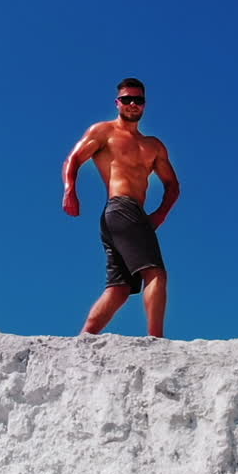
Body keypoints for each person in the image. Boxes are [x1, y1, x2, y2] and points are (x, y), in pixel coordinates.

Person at [62, 78, 181, 337]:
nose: (132, 104)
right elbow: (73, 159)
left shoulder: (153, 146)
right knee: (156, 273)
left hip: (128, 216)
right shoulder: (104, 132)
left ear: (144, 105)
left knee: (120, 288)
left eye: (138, 100)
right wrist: (70, 190)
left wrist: (159, 215)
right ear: (117, 102)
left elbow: (173, 186)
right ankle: (156, 340)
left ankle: (83, 340)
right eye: (127, 99)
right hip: (120, 207)